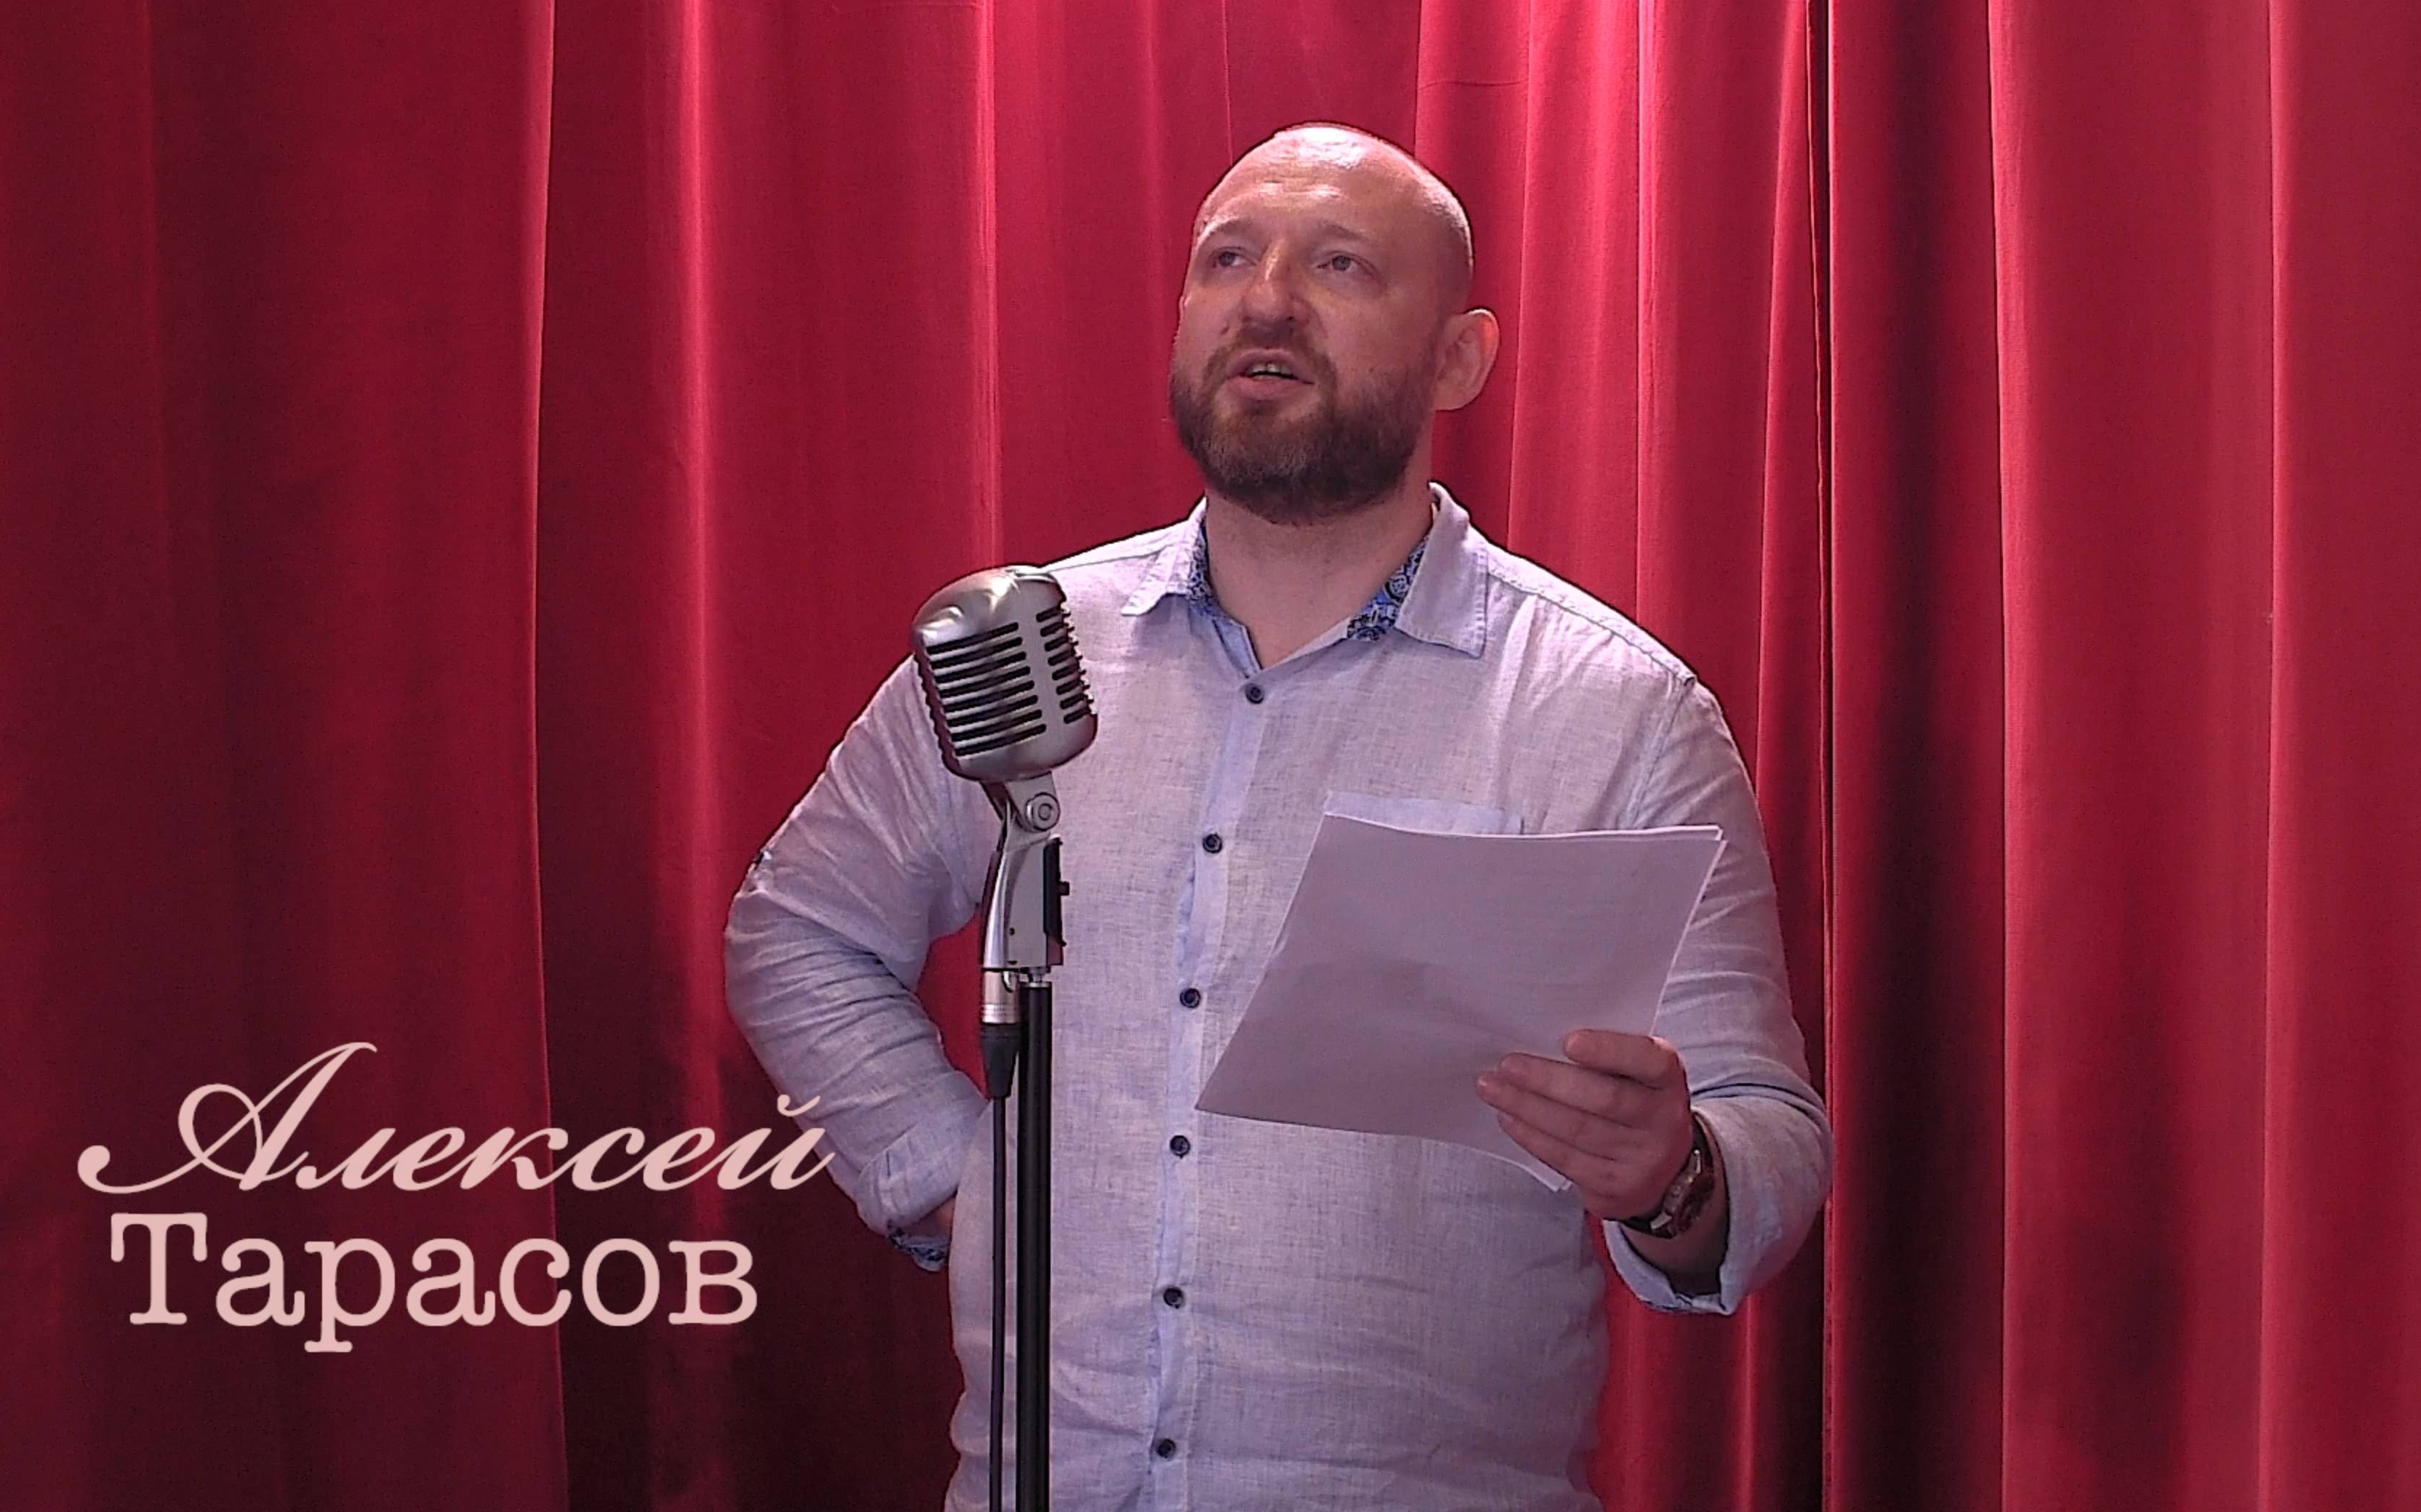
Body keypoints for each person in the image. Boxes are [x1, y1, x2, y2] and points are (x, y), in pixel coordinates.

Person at [725, 123, 1828, 1511]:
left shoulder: (1614, 712)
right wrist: (960, 1175)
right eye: (1228, 259)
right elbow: (798, 930)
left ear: (1460, 359)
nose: (1268, 300)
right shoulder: (1026, 647)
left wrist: (1672, 1174)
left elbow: (1764, 1127)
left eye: (1342, 265)